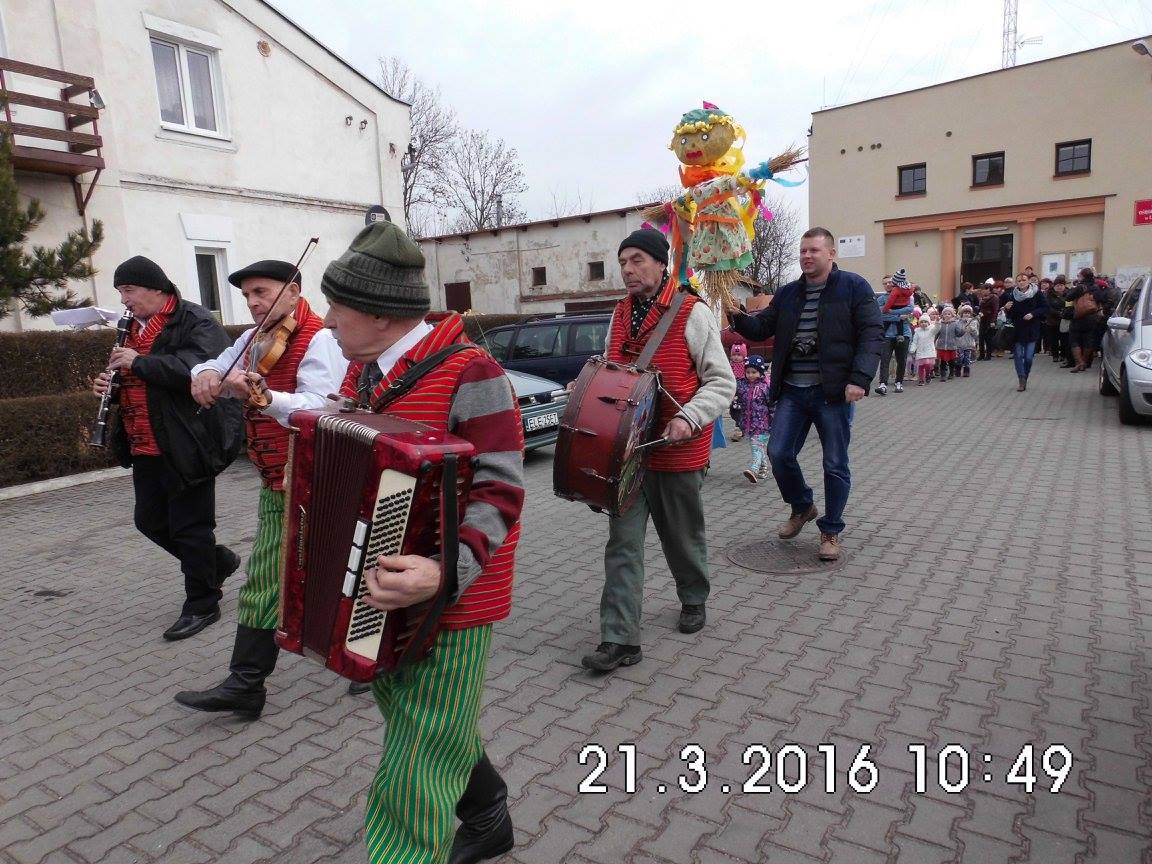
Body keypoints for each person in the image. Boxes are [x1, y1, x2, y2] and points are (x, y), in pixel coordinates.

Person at [323, 222, 525, 864]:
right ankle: (488, 816)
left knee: (417, 761)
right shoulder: (364, 374)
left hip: (453, 601)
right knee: (420, 717)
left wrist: (445, 571)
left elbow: (502, 488)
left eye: (336, 306)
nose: (325, 320)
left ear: (380, 313)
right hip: (385, 590)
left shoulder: (473, 372)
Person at [174, 260, 348, 718]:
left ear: (293, 292)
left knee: (278, 576)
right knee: (318, 570)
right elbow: (216, 363)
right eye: (247, 295)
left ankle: (247, 684)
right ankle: (367, 662)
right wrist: (203, 374)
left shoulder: (321, 337)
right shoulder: (254, 339)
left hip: (311, 476)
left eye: (261, 292)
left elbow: (322, 407)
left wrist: (265, 398)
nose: (252, 303)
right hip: (276, 477)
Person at [582, 228, 736, 673]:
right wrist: (586, 388)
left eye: (637, 260)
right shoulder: (619, 314)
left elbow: (722, 382)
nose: (628, 270)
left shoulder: (691, 311)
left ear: (660, 263)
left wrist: (689, 417)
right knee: (622, 544)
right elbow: (612, 373)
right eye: (622, 262)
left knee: (681, 536)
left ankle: (693, 596)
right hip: (628, 454)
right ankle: (619, 639)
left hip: (678, 450)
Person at [92, 256, 243, 640]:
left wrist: (139, 362)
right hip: (144, 441)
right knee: (149, 520)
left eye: (128, 290)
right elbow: (138, 378)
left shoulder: (195, 321)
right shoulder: (131, 328)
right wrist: (110, 385)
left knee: (191, 528)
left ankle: (202, 603)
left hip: (187, 440)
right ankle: (216, 562)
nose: (124, 300)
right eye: (120, 292)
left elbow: (199, 371)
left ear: (155, 288)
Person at [730, 227, 882, 561]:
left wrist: (859, 378)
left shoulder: (854, 287)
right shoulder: (788, 293)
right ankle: (802, 506)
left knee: (835, 463)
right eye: (802, 251)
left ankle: (831, 530)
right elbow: (760, 327)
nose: (806, 256)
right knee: (778, 453)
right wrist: (735, 314)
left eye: (814, 250)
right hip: (792, 392)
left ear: (831, 254)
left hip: (833, 393)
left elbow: (872, 333)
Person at [1000, 272, 1048, 391]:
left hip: (1032, 328)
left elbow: (1045, 307)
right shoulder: (1013, 294)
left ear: (1028, 281)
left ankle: (1025, 375)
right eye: (1019, 280)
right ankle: (1021, 379)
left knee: (1028, 357)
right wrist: (1007, 308)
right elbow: (1010, 314)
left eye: (1024, 280)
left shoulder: (1036, 293)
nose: (1021, 282)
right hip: (1018, 329)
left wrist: (1033, 314)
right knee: (1018, 355)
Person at [734, 354, 773, 482]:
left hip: (763, 423)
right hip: (749, 423)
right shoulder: (742, 386)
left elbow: (772, 404)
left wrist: (774, 420)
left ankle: (754, 470)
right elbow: (735, 392)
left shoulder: (765, 387)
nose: (750, 375)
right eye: (748, 372)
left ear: (760, 372)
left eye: (754, 372)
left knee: (756, 445)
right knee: (758, 446)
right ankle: (763, 469)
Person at [875, 274, 914, 395]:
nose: (888, 285)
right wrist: (898, 317)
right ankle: (883, 384)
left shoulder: (905, 296)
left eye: (890, 282)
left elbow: (909, 311)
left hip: (904, 333)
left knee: (901, 359)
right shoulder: (881, 299)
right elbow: (880, 315)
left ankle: (899, 383)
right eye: (885, 283)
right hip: (887, 334)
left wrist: (890, 313)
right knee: (884, 360)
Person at [1066, 268, 1107, 373]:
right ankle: (1084, 363)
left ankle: (1079, 363)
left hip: (1078, 317)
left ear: (1083, 277)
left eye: (1079, 275)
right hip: (1091, 317)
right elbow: (1102, 299)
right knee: (1088, 341)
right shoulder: (1096, 287)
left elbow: (1068, 297)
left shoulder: (1080, 287)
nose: (1078, 277)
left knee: (1074, 340)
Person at [934, 305, 964, 381]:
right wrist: (933, 341)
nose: (947, 315)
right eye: (945, 314)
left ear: (952, 315)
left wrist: (963, 330)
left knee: (951, 361)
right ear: (942, 315)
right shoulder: (940, 323)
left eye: (949, 314)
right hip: (941, 346)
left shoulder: (955, 323)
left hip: (951, 346)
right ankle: (943, 375)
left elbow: (958, 334)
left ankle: (951, 373)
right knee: (943, 362)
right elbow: (936, 334)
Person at [910, 314, 939, 385]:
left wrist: (938, 322)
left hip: (929, 351)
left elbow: (937, 329)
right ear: (919, 323)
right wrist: (912, 349)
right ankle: (921, 380)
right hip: (920, 351)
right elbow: (915, 342)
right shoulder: (917, 332)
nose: (923, 323)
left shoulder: (931, 330)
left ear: (928, 323)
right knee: (921, 366)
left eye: (925, 322)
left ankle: (927, 375)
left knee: (927, 364)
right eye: (922, 322)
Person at [728, 342, 748, 439]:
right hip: (733, 393)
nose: (736, 357)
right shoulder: (729, 366)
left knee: (739, 411)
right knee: (732, 411)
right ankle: (742, 426)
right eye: (734, 355)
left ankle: (739, 429)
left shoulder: (746, 366)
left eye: (739, 355)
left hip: (742, 394)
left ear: (744, 356)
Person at [977, 280, 1000, 361]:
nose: (982, 291)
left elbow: (995, 310)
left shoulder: (994, 298)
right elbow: (980, 308)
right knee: (981, 337)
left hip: (990, 320)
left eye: (984, 289)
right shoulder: (982, 298)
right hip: (982, 319)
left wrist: (993, 321)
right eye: (982, 289)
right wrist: (979, 312)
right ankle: (981, 354)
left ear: (989, 290)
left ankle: (988, 354)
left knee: (988, 338)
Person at [956, 304, 979, 377]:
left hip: (969, 343)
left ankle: (966, 370)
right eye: (965, 313)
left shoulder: (973, 322)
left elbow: (976, 334)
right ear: (962, 313)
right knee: (959, 358)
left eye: (968, 313)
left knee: (967, 358)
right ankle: (958, 369)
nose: (967, 314)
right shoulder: (958, 322)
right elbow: (957, 332)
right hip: (959, 343)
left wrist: (971, 329)